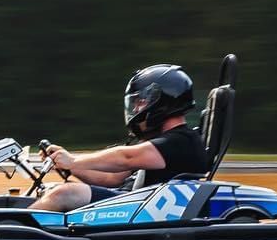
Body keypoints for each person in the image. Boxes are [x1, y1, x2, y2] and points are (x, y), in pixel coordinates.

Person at [31, 63, 210, 213]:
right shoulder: (165, 142)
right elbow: (111, 179)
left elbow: (125, 157)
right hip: (133, 202)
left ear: (162, 101)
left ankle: (14, 232)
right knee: (50, 189)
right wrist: (69, 167)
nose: (137, 109)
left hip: (141, 209)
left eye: (141, 101)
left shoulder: (181, 142)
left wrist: (73, 161)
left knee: (64, 194)